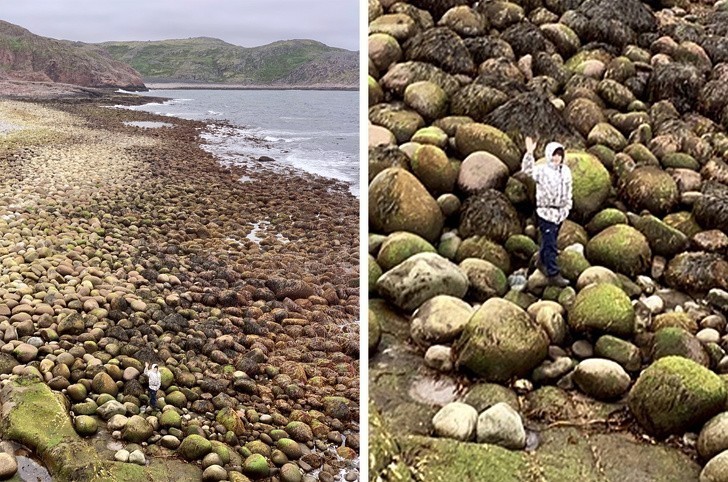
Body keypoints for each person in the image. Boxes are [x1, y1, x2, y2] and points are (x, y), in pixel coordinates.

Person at [521, 137, 572, 287]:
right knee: (551, 244)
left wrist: (567, 207)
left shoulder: (566, 171)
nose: (557, 158)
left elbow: (569, 191)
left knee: (550, 240)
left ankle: (541, 261)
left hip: (560, 213)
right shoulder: (542, 170)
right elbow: (526, 171)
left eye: (559, 154)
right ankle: (553, 273)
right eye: (554, 154)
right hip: (545, 212)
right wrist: (530, 153)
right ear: (549, 155)